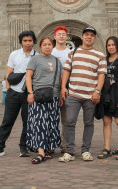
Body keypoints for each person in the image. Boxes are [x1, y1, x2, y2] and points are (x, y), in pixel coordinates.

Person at [58, 27, 107, 163]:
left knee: (88, 123)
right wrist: (63, 87)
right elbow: (66, 71)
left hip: (90, 96)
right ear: (82, 36)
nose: (89, 37)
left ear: (94, 38)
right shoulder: (73, 53)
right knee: (69, 122)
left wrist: (97, 91)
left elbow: (101, 74)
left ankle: (85, 150)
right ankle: (69, 151)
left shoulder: (100, 55)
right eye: (86, 35)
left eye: (92, 35)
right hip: (73, 94)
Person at [0, 30, 37, 158]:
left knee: (28, 122)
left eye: (30, 41)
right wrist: (8, 89)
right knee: (7, 121)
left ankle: (24, 147)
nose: (27, 43)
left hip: (28, 94)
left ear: (33, 42)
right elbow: (9, 72)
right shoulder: (14, 54)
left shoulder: (37, 56)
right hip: (14, 92)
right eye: (25, 41)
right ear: (21, 42)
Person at [26, 37, 63, 164]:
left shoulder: (57, 61)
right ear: (40, 46)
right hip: (38, 96)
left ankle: (48, 149)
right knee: (40, 123)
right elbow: (28, 76)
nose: (47, 47)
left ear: (52, 46)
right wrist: (30, 93)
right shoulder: (35, 59)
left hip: (53, 96)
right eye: (44, 44)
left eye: (49, 44)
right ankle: (40, 151)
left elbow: (59, 80)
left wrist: (59, 95)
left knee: (52, 123)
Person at [97, 36, 118, 161]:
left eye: (113, 45)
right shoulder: (103, 60)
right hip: (106, 95)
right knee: (106, 122)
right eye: (108, 45)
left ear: (117, 46)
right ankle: (107, 148)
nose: (111, 47)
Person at [51, 26, 71, 154]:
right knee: (52, 118)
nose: (61, 36)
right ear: (55, 36)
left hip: (67, 88)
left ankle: (65, 145)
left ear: (67, 37)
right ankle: (51, 144)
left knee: (66, 119)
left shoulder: (71, 52)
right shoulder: (50, 52)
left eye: (64, 34)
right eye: (59, 34)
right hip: (52, 88)